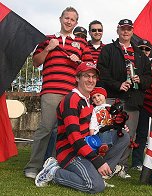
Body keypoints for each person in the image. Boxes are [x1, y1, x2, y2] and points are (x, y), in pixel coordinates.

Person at [34, 62, 130, 193]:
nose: (91, 80)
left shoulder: (89, 101)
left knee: (123, 135)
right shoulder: (71, 100)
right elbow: (74, 138)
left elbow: (99, 126)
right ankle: (54, 171)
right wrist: (97, 161)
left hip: (86, 147)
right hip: (71, 152)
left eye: (94, 77)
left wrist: (117, 126)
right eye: (86, 76)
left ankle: (98, 173)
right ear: (77, 78)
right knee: (95, 186)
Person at [24, 7, 93, 179]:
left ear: (76, 23)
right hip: (51, 90)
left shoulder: (82, 43)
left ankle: (55, 165)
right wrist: (48, 49)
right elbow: (35, 63)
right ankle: (33, 166)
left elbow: (90, 67)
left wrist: (79, 63)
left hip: (72, 94)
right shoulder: (47, 39)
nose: (69, 21)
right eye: (66, 18)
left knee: (64, 131)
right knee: (46, 128)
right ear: (60, 18)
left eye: (72, 19)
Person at [97, 19, 152, 178]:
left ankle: (121, 166)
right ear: (118, 30)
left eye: (128, 29)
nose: (125, 32)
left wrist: (140, 79)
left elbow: (149, 77)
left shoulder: (140, 54)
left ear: (132, 31)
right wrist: (117, 85)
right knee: (107, 132)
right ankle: (103, 164)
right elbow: (102, 72)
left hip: (133, 100)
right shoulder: (108, 49)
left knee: (129, 135)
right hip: (113, 98)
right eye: (123, 29)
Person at [131, 39, 152, 170]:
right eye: (141, 49)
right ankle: (137, 162)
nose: (144, 51)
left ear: (150, 51)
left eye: (147, 49)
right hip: (140, 104)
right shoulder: (133, 64)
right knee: (140, 134)